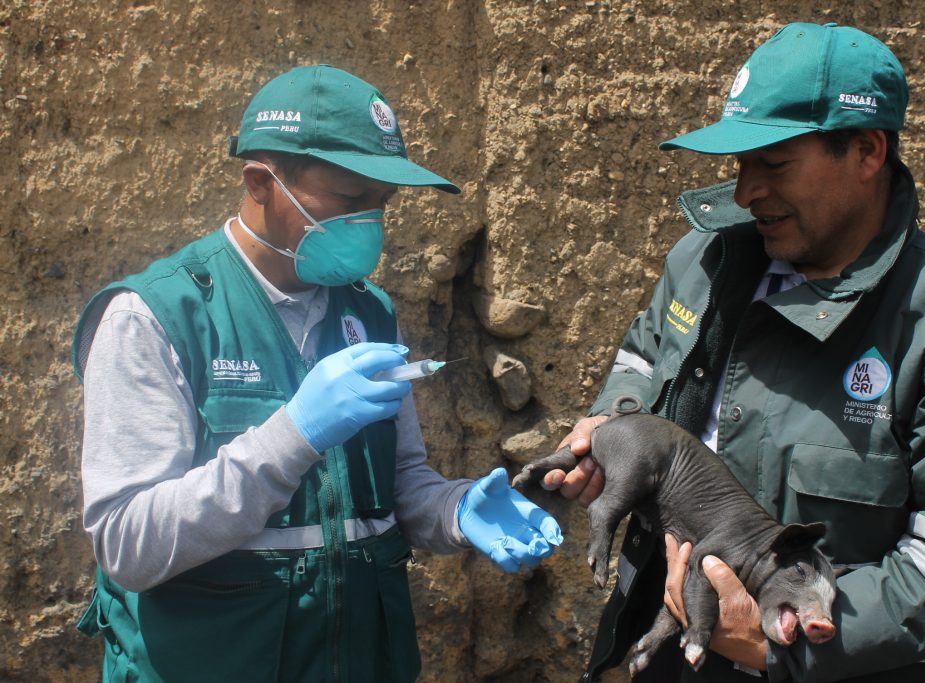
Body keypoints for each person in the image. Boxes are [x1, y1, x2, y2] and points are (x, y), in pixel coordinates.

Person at [546, 22, 925, 682]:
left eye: (773, 165)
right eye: (740, 166)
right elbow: (641, 358)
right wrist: (614, 424)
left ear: (866, 152)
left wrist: (790, 636)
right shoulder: (704, 263)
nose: (745, 193)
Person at [72, 64, 562, 683]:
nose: (370, 225)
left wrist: (455, 510)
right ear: (260, 182)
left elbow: (393, 485)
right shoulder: (156, 318)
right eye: (351, 201)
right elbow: (127, 545)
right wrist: (292, 435)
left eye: (381, 205)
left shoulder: (368, 311)